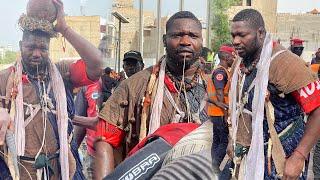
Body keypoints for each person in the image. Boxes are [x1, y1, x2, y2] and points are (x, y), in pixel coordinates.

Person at [93, 11, 207, 178]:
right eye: (177, 35)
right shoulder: (134, 86)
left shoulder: (218, 87)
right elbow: (104, 141)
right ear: (164, 40)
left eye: (193, 35)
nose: (185, 41)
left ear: (201, 42)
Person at [0, 0, 102, 179]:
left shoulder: (62, 73)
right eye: (31, 47)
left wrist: (64, 29)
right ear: (20, 46)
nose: (37, 53)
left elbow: (97, 64)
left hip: (59, 168)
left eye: (43, 48)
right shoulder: (5, 78)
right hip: (20, 171)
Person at [228, 9, 320, 179]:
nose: (235, 41)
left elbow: (318, 110)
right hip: (249, 156)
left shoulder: (287, 64)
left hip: (282, 158)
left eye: (242, 35)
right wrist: (232, 141)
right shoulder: (239, 65)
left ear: (260, 33)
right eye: (233, 35)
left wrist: (299, 156)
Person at [207, 44, 235, 166]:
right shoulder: (220, 73)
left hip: (215, 112)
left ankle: (213, 165)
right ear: (226, 57)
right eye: (232, 57)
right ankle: (215, 166)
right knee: (223, 141)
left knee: (217, 140)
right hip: (219, 112)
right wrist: (225, 114)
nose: (233, 60)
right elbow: (220, 95)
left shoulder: (222, 71)